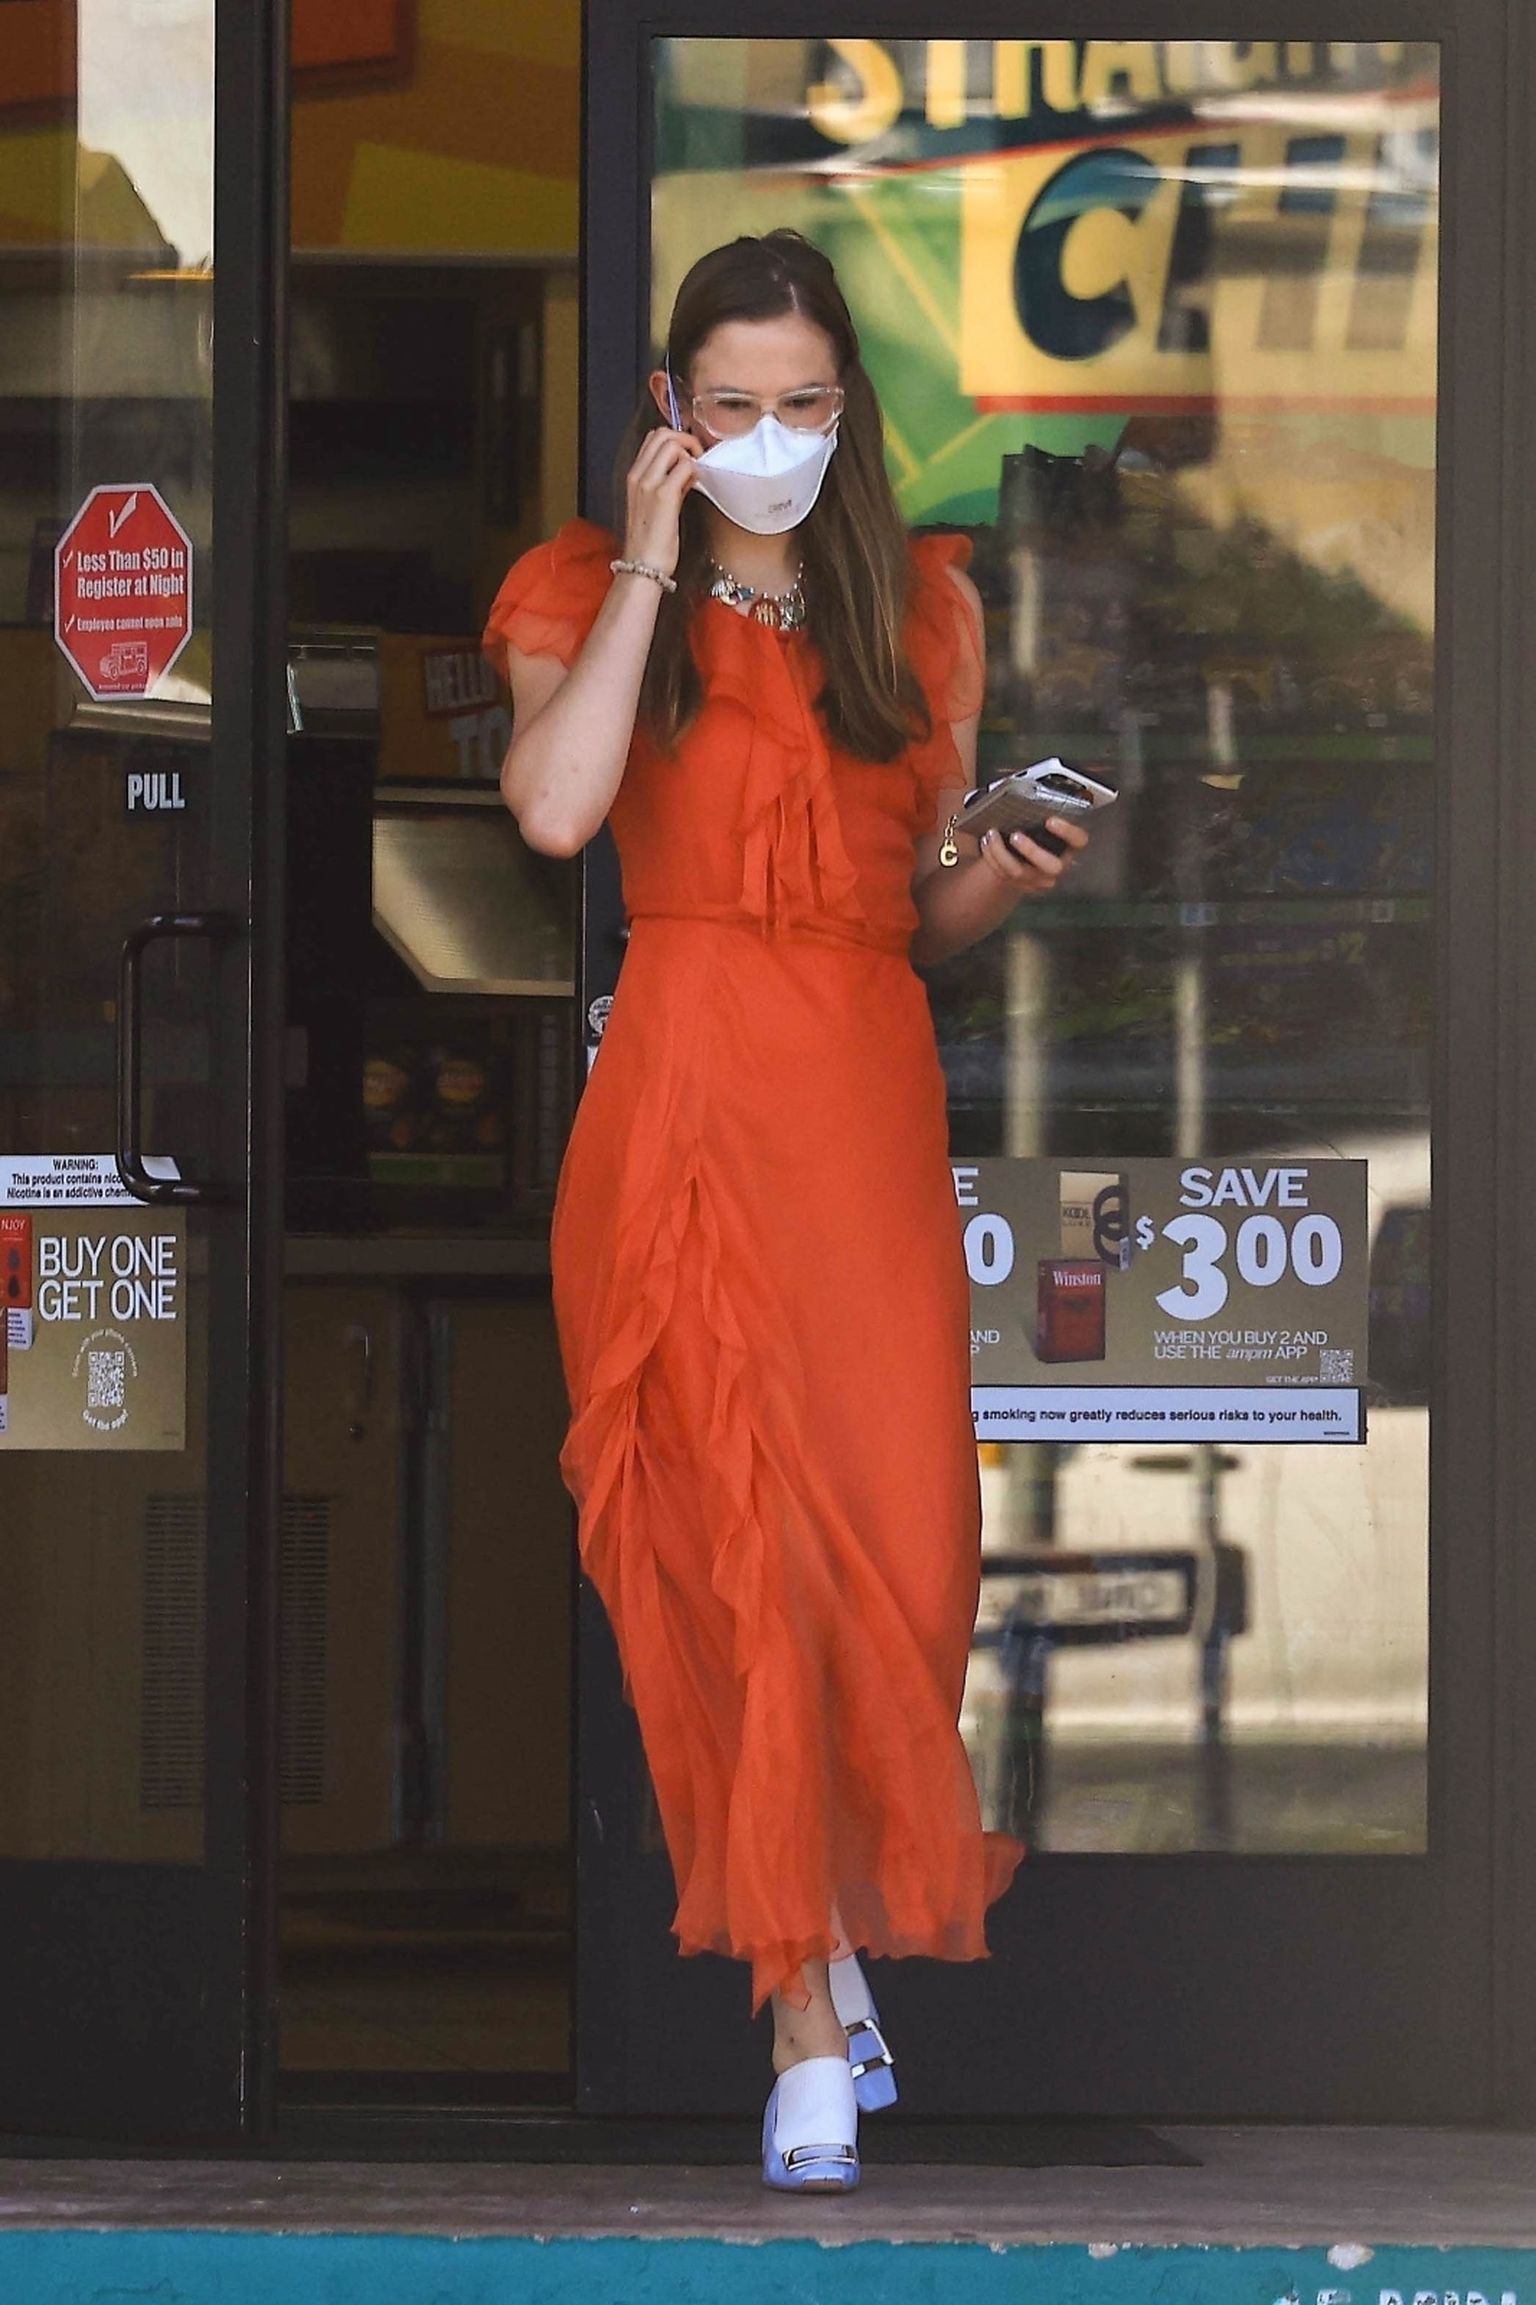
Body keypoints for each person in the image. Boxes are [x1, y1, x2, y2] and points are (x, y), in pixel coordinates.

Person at [484, 229, 1093, 2192]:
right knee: (735, 1560)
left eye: (804, 403)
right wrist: (653, 559)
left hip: (861, 1109)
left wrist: (1004, 870)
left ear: (851, 409)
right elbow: (558, 810)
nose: (769, 433)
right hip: (686, 1100)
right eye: (731, 402)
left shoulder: (917, 611)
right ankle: (805, 2017)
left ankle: (822, 1935)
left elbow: (906, 911)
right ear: (672, 405)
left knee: (900, 1560)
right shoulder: (583, 586)